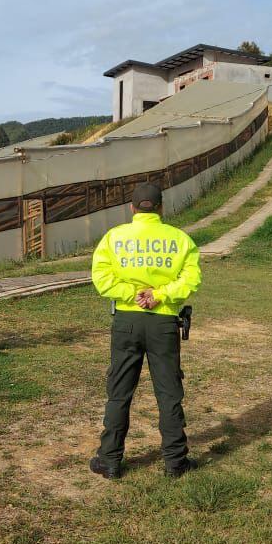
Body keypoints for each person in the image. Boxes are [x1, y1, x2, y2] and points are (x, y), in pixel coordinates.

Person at [89, 182, 201, 480]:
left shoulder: (114, 238)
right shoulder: (180, 240)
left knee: (119, 392)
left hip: (126, 321)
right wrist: (159, 295)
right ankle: (175, 462)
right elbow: (191, 280)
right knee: (168, 392)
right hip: (163, 323)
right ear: (161, 207)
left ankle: (109, 460)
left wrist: (131, 294)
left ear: (132, 208)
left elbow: (102, 278)